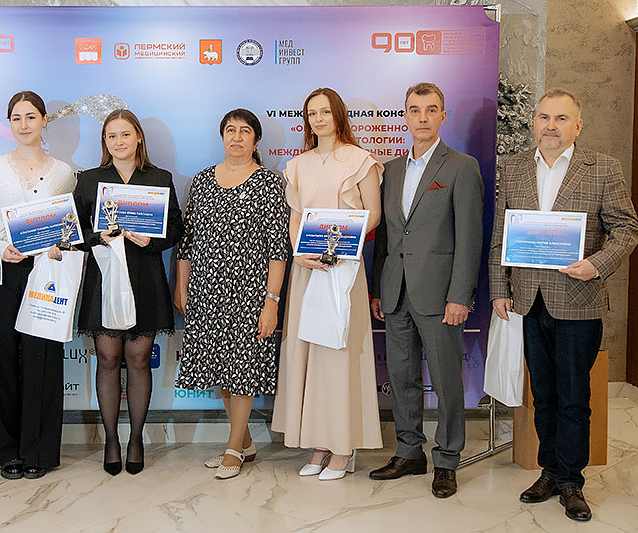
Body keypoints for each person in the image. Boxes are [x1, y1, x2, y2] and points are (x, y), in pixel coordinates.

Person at [489, 89, 638, 522]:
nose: (550, 126)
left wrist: (597, 265)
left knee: (574, 397)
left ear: (578, 125)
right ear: (533, 122)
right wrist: (500, 288)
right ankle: (550, 472)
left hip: (579, 301)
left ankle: (572, 481)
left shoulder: (603, 168)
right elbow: (500, 235)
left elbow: (626, 229)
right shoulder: (514, 167)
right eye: (543, 117)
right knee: (544, 394)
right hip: (529, 300)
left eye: (560, 118)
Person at [369, 82, 484, 498]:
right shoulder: (391, 170)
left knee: (447, 380)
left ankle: (448, 459)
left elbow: (470, 237)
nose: (422, 117)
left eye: (431, 110)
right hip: (395, 291)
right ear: (404, 116)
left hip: (441, 295)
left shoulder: (461, 166)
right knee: (401, 377)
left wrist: (460, 295)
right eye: (415, 110)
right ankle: (409, 452)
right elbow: (385, 236)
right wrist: (378, 288)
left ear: (442, 116)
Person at [271, 88, 383, 481]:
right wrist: (298, 253)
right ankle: (318, 443)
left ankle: (343, 446)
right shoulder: (297, 165)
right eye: (311, 113)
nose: (318, 119)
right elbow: (295, 218)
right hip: (307, 269)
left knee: (338, 353)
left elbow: (373, 215)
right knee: (308, 352)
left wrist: (340, 245)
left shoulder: (361, 160)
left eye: (325, 112)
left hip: (344, 269)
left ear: (338, 114)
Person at [174, 109, 288, 479]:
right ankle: (245, 443)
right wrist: (182, 287)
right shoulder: (203, 180)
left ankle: (233, 448)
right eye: (230, 130)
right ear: (222, 136)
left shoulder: (268, 183)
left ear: (256, 140)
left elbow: (278, 249)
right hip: (206, 290)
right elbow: (187, 241)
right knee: (223, 370)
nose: (237, 137)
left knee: (243, 370)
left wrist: (271, 302)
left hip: (250, 293)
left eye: (245, 131)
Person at [0, 91, 75, 480]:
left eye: (31, 116)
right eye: (16, 118)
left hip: (45, 273)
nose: (24, 124)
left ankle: (38, 451)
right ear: (9, 123)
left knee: (41, 359)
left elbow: (69, 226)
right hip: (1, 271)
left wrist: (60, 246)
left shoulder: (64, 172)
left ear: (45, 120)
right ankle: (4, 450)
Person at [74, 109, 183, 475]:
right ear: (104, 142)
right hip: (104, 279)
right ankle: (110, 439)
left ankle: (136, 439)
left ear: (138, 137)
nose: (118, 142)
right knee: (107, 359)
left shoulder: (158, 178)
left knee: (138, 360)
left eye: (124, 134)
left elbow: (176, 229)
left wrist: (153, 241)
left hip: (145, 277)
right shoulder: (90, 180)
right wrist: (97, 236)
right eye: (111, 136)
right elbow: (74, 232)